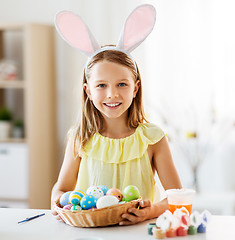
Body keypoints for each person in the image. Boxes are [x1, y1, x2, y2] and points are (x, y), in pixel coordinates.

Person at [51, 4, 182, 225]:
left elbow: (177, 197)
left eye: (122, 84)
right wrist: (58, 203)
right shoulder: (80, 137)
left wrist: (150, 212)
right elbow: (61, 189)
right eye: (101, 85)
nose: (112, 94)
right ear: (88, 91)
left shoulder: (153, 138)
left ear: (135, 87)